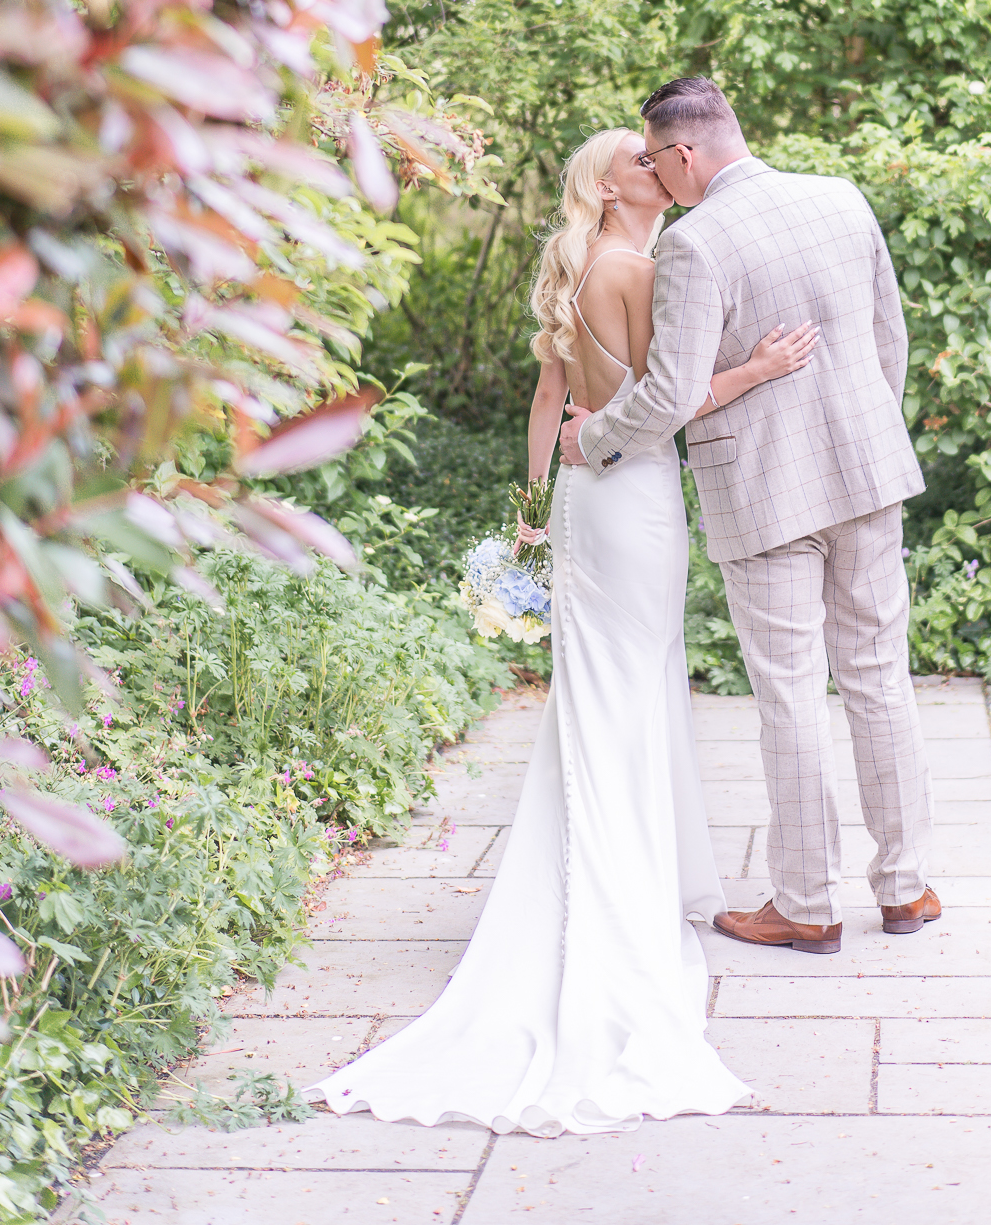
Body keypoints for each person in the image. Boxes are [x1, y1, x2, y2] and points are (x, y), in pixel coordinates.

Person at [312, 126, 817, 1136]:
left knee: (602, 689)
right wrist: (757, 369)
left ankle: (610, 868)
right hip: (632, 500)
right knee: (627, 685)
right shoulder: (637, 263)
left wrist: (532, 509)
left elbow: (554, 397)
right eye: (642, 160)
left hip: (588, 501)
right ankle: (616, 892)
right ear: (613, 185)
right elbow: (661, 402)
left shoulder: (581, 266)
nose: (660, 167)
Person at [560, 77, 934, 958]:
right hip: (870, 472)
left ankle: (804, 904)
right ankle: (906, 889)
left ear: (685, 154)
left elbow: (672, 392)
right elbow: (891, 340)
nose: (657, 174)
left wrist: (595, 442)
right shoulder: (839, 198)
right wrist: (866, 431)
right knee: (880, 675)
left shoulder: (697, 244)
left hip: (764, 492)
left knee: (792, 693)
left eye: (655, 159)